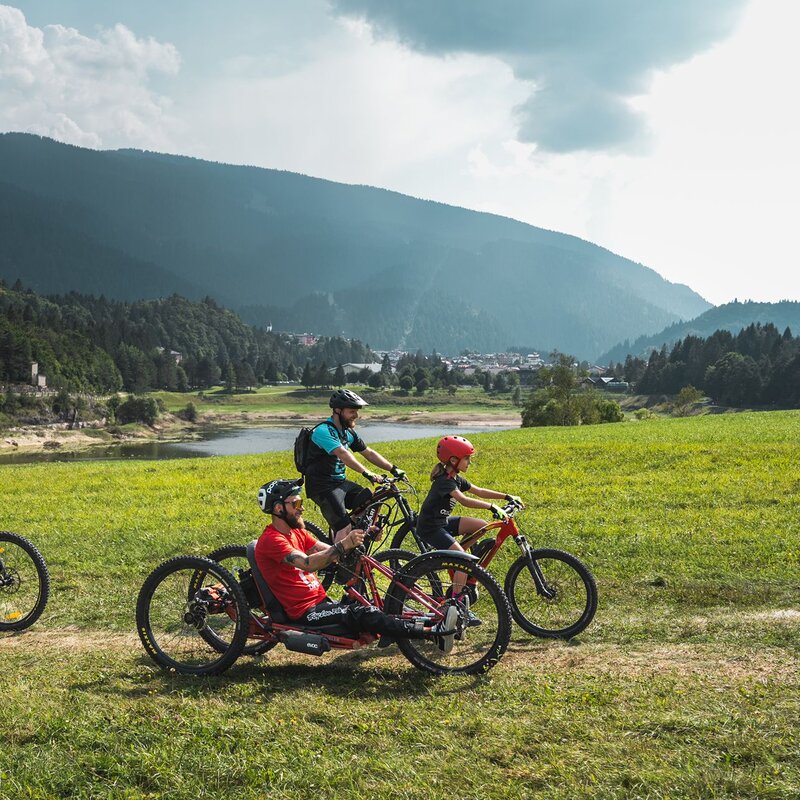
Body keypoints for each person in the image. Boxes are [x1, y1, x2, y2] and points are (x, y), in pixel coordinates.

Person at [254, 478, 458, 652]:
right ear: (278, 508)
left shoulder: (297, 532)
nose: (302, 508)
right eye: (296, 504)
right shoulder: (272, 540)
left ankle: (434, 622)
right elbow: (307, 563)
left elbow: (329, 551)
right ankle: (432, 633)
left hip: (322, 602)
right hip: (305, 612)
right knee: (364, 614)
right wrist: (344, 544)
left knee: (367, 608)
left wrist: (363, 536)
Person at [416, 435, 524, 606]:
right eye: (466, 459)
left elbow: (479, 491)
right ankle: (456, 600)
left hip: (442, 522)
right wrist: (492, 507)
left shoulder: (456, 478)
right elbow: (465, 501)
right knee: (464, 560)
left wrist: (507, 496)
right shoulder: (445, 481)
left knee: (483, 526)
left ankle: (458, 555)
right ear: (453, 459)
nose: (469, 463)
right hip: (430, 528)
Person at [304, 389, 406, 542]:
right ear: (338, 411)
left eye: (356, 411)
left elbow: (368, 452)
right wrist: (367, 473)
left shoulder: (347, 432)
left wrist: (393, 468)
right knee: (343, 526)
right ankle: (336, 562)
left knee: (371, 500)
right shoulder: (323, 431)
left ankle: (354, 539)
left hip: (339, 483)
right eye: (352, 411)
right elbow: (343, 454)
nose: (356, 415)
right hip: (322, 486)